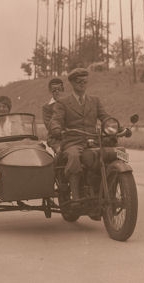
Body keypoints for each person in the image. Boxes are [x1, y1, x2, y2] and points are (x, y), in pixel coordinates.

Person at [49, 68, 110, 202]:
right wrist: (57, 129)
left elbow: (105, 117)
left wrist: (114, 126)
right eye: (78, 82)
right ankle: (75, 195)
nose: (82, 84)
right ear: (71, 83)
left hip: (93, 141)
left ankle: (108, 185)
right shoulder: (63, 103)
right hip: (73, 141)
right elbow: (56, 119)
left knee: (112, 153)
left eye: (84, 81)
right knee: (74, 157)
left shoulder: (95, 100)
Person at [42, 78, 64, 152]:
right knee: (62, 152)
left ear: (63, 89)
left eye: (59, 89)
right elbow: (49, 125)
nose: (57, 92)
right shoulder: (47, 107)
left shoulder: (69, 103)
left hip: (71, 136)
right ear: (50, 91)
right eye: (54, 90)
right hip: (55, 138)